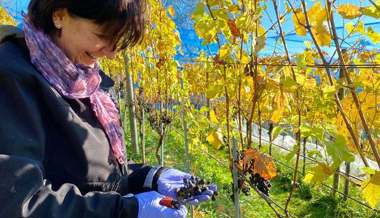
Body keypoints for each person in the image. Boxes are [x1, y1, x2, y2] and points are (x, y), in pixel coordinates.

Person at [0, 0, 217, 218]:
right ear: (59, 16)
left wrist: (148, 177)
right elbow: (19, 203)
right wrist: (126, 211)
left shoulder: (82, 78)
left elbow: (91, 172)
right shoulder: (12, 79)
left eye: (118, 41)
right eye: (103, 36)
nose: (112, 53)